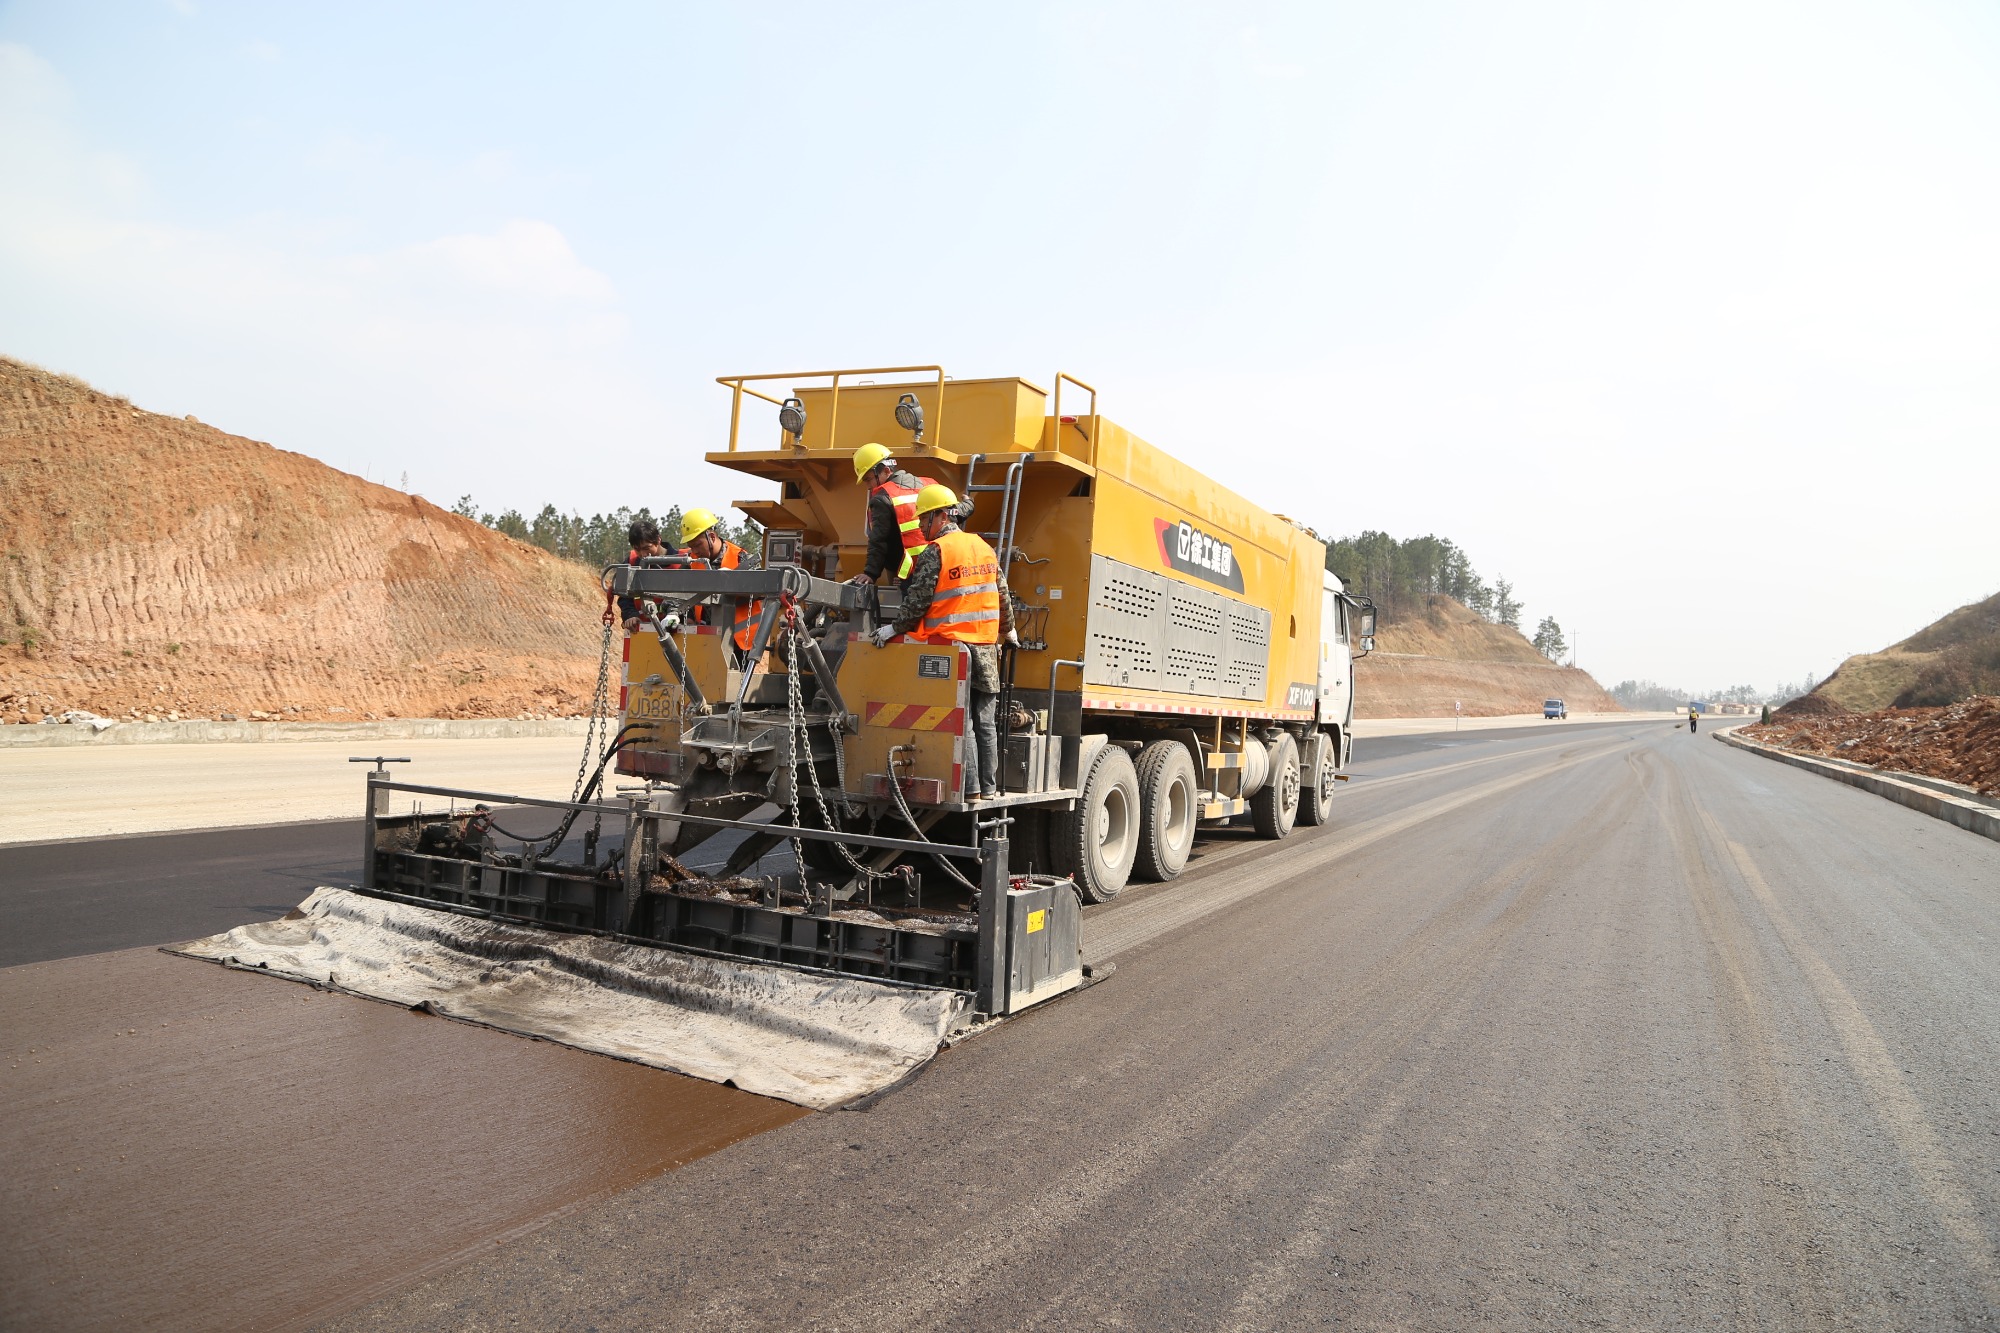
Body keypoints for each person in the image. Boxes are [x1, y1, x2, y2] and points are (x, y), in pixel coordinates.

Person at [870, 484, 1017, 802]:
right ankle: (989, 789)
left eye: (924, 520)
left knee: (962, 723)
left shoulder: (937, 551)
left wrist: (892, 629)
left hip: (954, 652)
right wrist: (1010, 630)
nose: (921, 528)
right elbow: (1002, 594)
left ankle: (973, 790)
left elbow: (918, 600)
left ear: (941, 516)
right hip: (986, 649)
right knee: (986, 723)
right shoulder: (984, 548)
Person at [845, 442, 966, 588]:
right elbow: (953, 514)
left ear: (886, 470)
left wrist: (870, 573)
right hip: (939, 564)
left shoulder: (882, 498)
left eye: (868, 479)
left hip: (907, 573)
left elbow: (878, 540)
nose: (868, 486)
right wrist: (969, 504)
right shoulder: (929, 484)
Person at [679, 508, 760, 658]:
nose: (695, 551)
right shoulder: (690, 562)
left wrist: (733, 585)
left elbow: (759, 591)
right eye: (691, 546)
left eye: (697, 545)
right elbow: (680, 592)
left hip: (739, 642)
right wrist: (687, 617)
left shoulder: (741, 558)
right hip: (704, 637)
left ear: (711, 536)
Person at [608, 518, 667, 632]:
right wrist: (630, 615)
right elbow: (625, 598)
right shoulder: (630, 564)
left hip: (678, 631)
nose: (643, 554)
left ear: (658, 540)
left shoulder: (681, 563)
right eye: (637, 549)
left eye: (646, 548)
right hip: (641, 630)